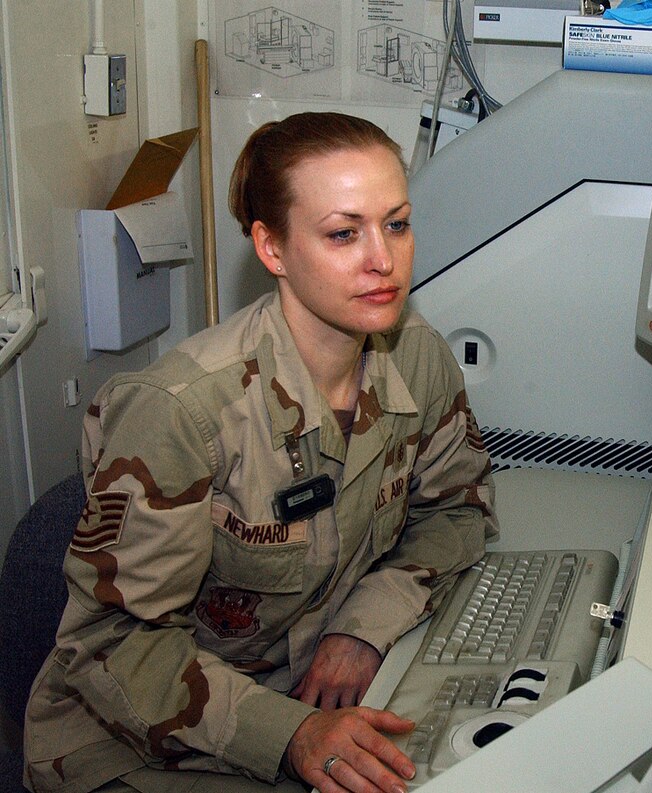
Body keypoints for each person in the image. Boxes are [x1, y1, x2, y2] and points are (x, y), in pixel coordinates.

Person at [23, 112, 498, 793]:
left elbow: (456, 510)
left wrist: (364, 626)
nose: (383, 259)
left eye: (396, 224)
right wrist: (291, 733)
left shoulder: (416, 356)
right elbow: (111, 645)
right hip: (136, 739)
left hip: (300, 692)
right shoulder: (182, 410)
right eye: (343, 233)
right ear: (271, 248)